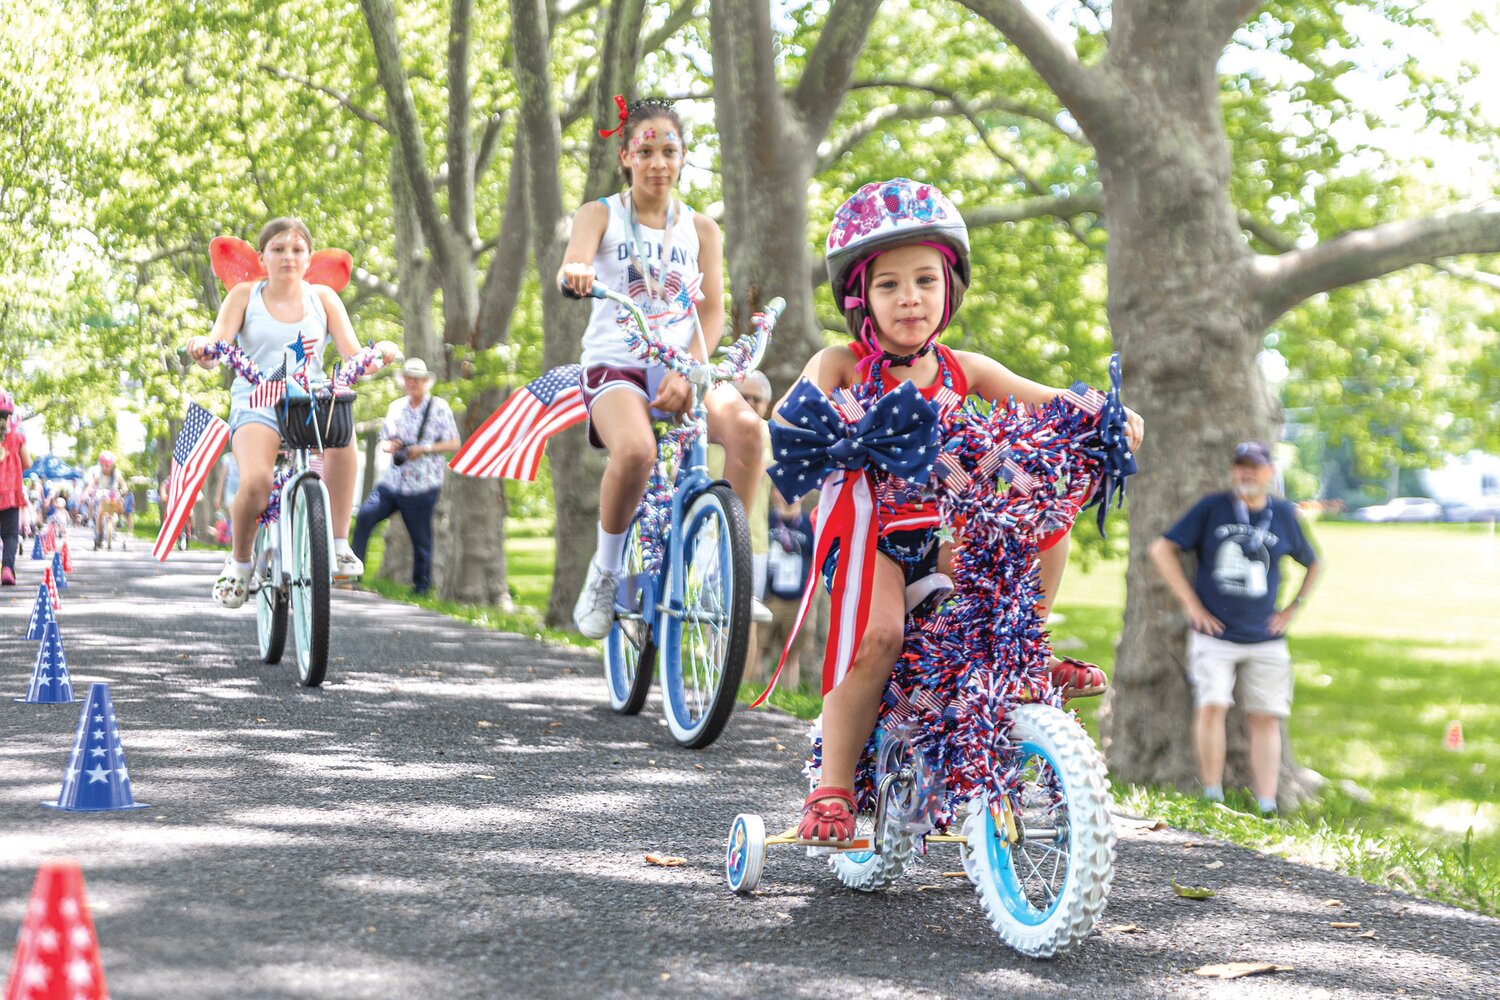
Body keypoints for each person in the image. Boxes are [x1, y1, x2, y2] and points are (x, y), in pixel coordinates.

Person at [782, 178, 1144, 846]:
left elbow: (1054, 403)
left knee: (1042, 511)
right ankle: (831, 788)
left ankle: (1024, 646)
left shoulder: (963, 368)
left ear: (949, 288)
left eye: (925, 280)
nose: (910, 298)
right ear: (859, 300)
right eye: (889, 285)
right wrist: (830, 426)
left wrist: (1108, 416)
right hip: (869, 541)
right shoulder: (840, 363)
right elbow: (791, 413)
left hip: (939, 534)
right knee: (879, 639)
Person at [559, 96, 765, 639]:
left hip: (681, 364)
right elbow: (575, 258)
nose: (657, 162)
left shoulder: (702, 229)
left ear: (682, 158)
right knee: (636, 452)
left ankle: (724, 574)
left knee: (748, 430)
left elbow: (713, 308)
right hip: (616, 364)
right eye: (645, 150)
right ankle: (605, 572)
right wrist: (577, 271)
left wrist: (689, 368)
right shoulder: (601, 213)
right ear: (626, 155)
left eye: (668, 151)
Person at [185, 217, 399, 608]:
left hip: (309, 401)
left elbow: (356, 356)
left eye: (297, 249)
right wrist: (203, 348)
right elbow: (216, 346)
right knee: (256, 482)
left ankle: (336, 544)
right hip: (257, 400)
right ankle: (241, 561)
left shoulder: (324, 299)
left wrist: (377, 355)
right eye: (279, 249)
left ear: (309, 257)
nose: (288, 256)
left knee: (342, 434)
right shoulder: (244, 296)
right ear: (263, 256)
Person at [1148, 440, 1323, 816]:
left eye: (1255, 467)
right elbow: (1161, 549)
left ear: (1269, 472)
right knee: (1212, 705)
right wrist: (1192, 606)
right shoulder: (1213, 508)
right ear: (1232, 471)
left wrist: (1293, 608)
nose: (1246, 473)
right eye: (1240, 466)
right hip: (1214, 635)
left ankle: (1267, 803)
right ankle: (1213, 796)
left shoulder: (1283, 514)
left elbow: (1314, 562)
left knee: (1266, 715)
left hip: (1266, 636)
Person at [351, 358, 460, 595]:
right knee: (365, 516)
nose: (412, 383)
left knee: (421, 539)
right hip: (393, 482)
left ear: (425, 382)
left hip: (422, 484)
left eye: (416, 379)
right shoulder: (396, 407)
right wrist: (393, 446)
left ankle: (421, 587)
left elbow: (453, 442)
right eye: (408, 378)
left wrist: (424, 449)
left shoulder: (438, 407)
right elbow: (384, 441)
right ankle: (353, 574)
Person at [0, 389, 34, 586]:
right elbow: (27, 463)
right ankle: (7, 568)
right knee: (11, 535)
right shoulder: (17, 438)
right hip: (11, 494)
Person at [82, 450, 129, 550]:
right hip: (102, 495)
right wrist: (86, 493)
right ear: (101, 465)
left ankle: (119, 519)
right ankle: (98, 534)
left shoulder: (116, 474)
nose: (106, 467)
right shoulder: (98, 474)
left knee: (120, 502)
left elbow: (123, 484)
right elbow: (91, 485)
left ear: (112, 465)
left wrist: (124, 489)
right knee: (100, 513)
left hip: (113, 494)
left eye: (108, 465)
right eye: (104, 465)